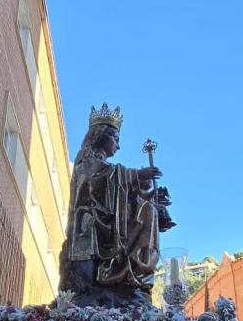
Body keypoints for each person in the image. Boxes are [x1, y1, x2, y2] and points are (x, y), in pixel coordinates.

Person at [59, 104, 171, 308]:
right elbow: (94, 183)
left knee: (148, 210)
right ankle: (125, 270)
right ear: (101, 136)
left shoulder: (105, 165)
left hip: (108, 220)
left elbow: (118, 195)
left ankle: (137, 271)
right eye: (116, 140)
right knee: (146, 211)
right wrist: (136, 175)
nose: (118, 147)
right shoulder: (86, 158)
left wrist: (148, 195)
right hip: (90, 221)